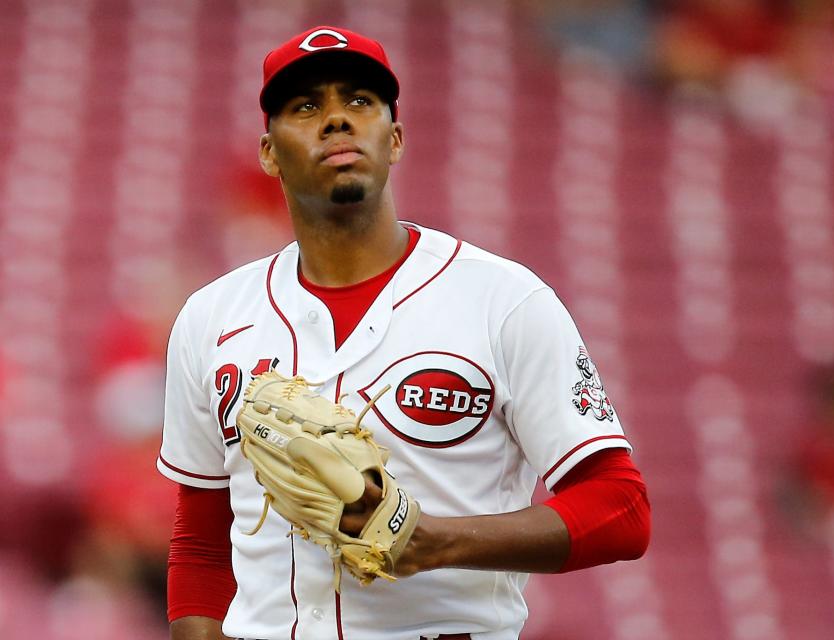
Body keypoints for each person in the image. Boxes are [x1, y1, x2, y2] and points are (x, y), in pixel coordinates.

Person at [158, 25, 651, 640]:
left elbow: (622, 509)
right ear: (268, 153)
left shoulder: (504, 301)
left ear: (394, 139)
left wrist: (436, 542)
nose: (336, 120)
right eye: (306, 106)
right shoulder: (211, 317)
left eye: (359, 101)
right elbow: (201, 540)